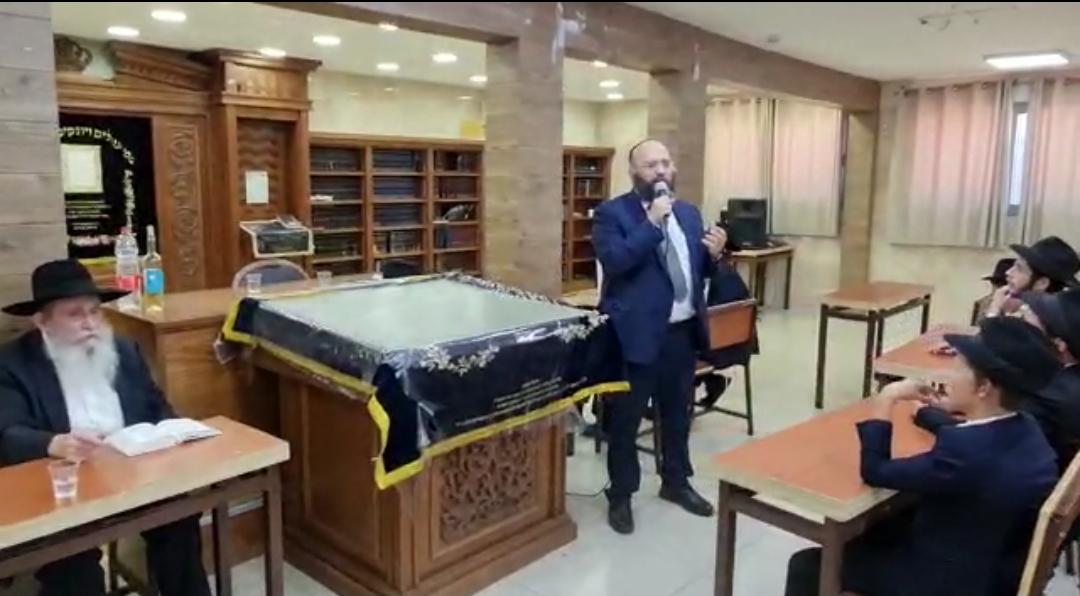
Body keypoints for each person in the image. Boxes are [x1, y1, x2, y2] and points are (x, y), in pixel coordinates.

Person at [785, 317, 1060, 596]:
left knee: (807, 565)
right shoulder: (1029, 430)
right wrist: (928, 414)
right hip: (990, 567)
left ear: (983, 388)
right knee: (887, 521)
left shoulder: (963, 454)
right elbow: (976, 440)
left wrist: (886, 398)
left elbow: (875, 470)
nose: (949, 375)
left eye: (959, 368)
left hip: (938, 581)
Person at [0, 260, 211, 596]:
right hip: (64, 490)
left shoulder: (123, 350)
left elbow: (156, 407)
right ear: (42, 321)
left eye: (95, 311)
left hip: (133, 473)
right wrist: (54, 443)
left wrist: (175, 433)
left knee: (180, 521)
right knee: (73, 565)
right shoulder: (13, 364)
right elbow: (8, 433)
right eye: (75, 314)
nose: (90, 324)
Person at [592, 139, 728, 534]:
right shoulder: (612, 213)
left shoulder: (688, 212)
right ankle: (621, 493)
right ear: (634, 172)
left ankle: (675, 481)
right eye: (651, 165)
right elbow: (615, 261)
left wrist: (715, 255)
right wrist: (651, 222)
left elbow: (698, 270)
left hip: (681, 334)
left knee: (677, 414)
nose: (661, 171)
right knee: (626, 419)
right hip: (634, 336)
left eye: (666, 163)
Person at [983, 236, 1079, 318]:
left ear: (1042, 283)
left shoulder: (1042, 322)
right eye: (1013, 266)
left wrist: (994, 310)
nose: (1008, 272)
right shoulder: (1024, 311)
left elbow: (991, 336)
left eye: (1019, 269)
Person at [971, 257, 1014, 324]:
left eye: (1004, 284)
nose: (997, 288)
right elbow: (976, 328)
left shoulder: (1024, 308)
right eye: (995, 282)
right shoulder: (981, 303)